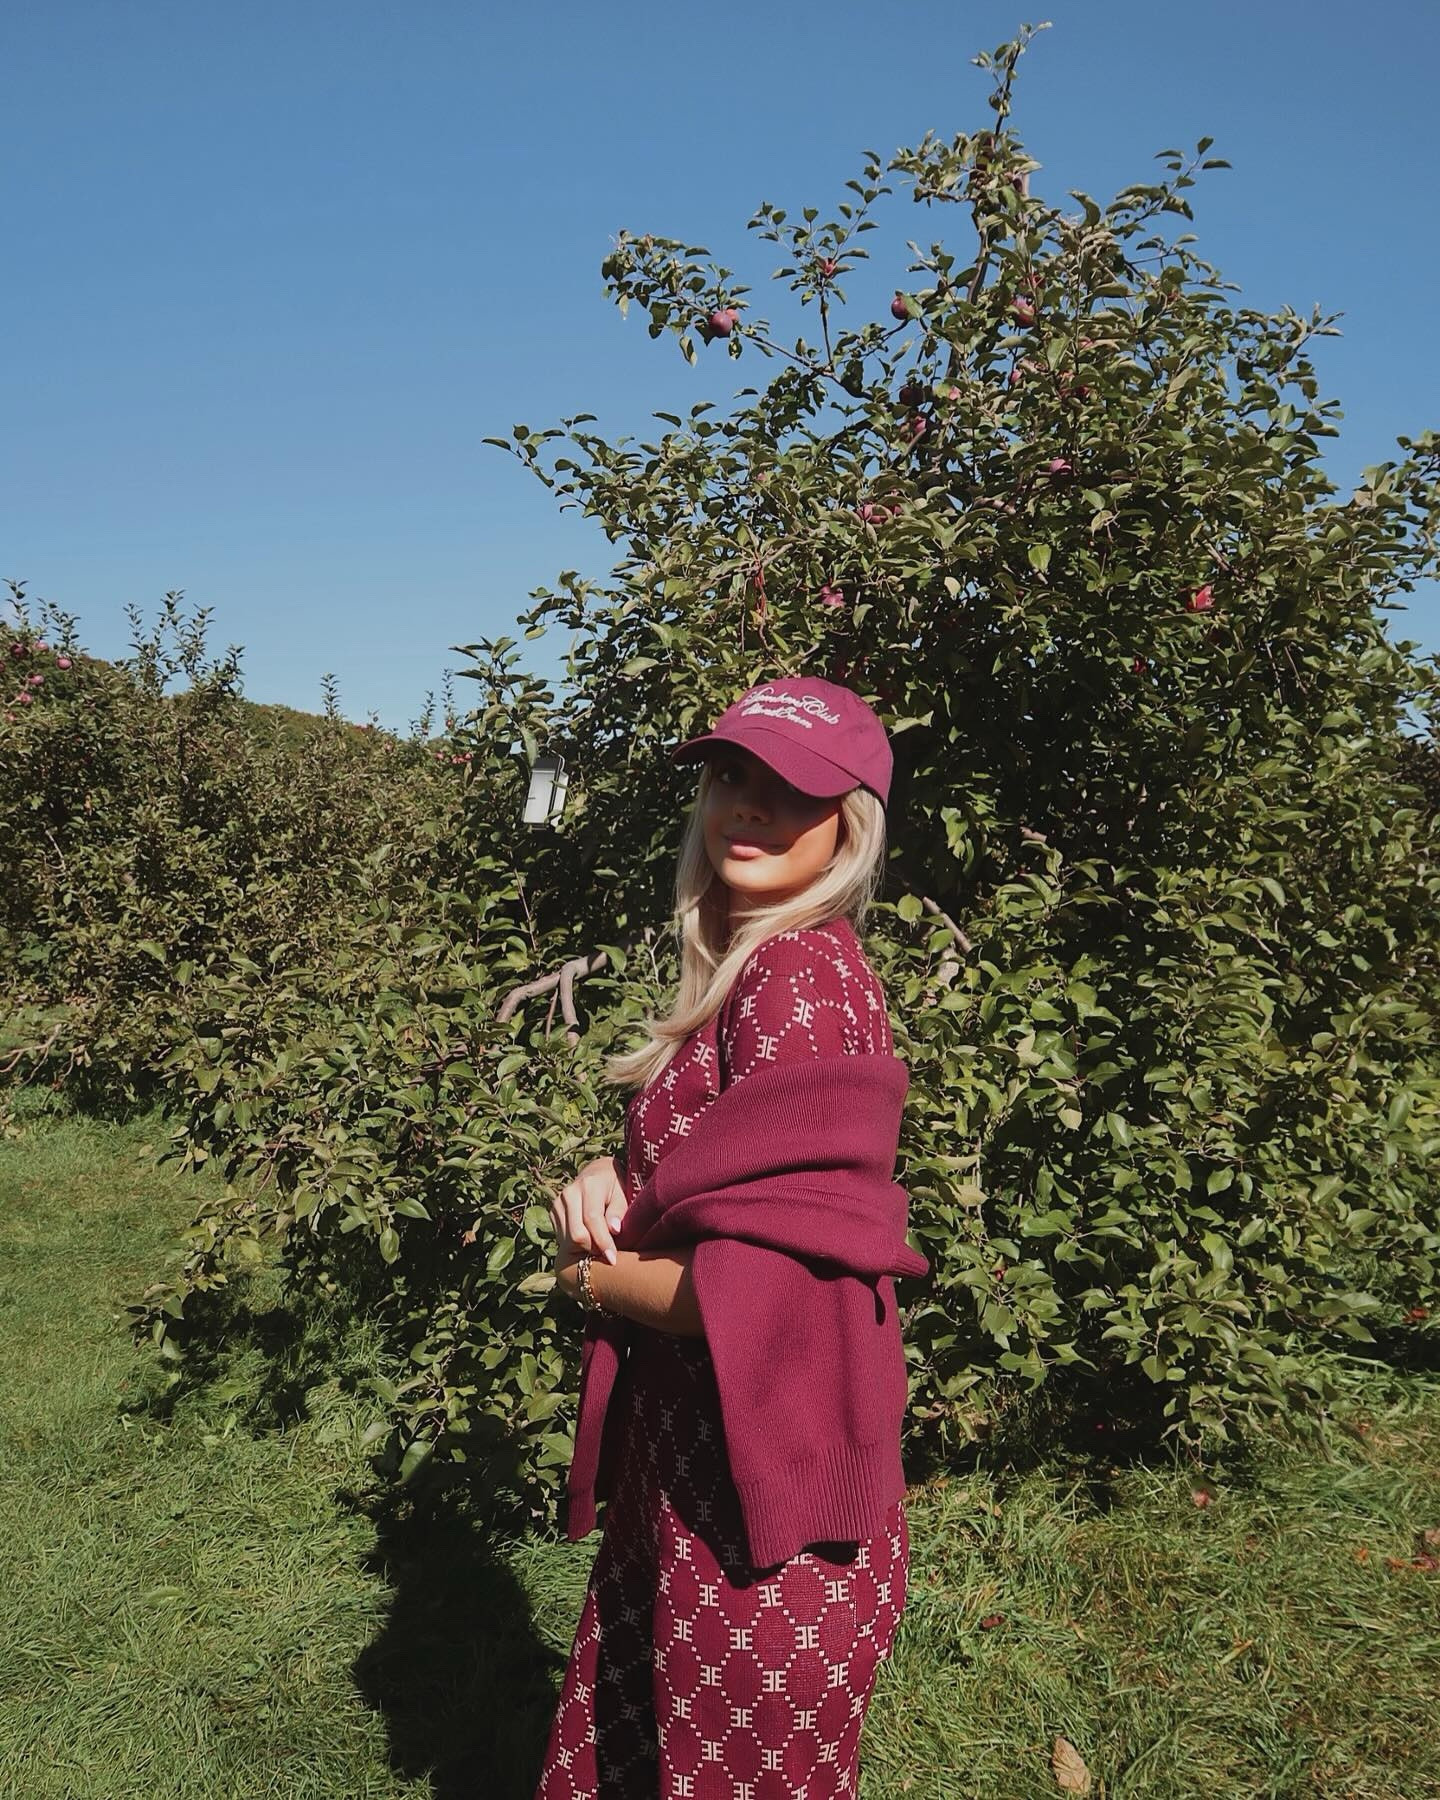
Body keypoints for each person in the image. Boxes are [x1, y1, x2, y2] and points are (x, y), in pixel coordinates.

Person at [533, 676, 926, 1799]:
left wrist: (586, 1279)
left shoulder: (797, 981)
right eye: (727, 777)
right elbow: (737, 1170)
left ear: (850, 822)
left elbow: (748, 1290)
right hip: (710, 1461)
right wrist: (622, 1174)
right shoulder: (759, 969)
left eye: (787, 789)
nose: (745, 808)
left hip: (757, 1505)